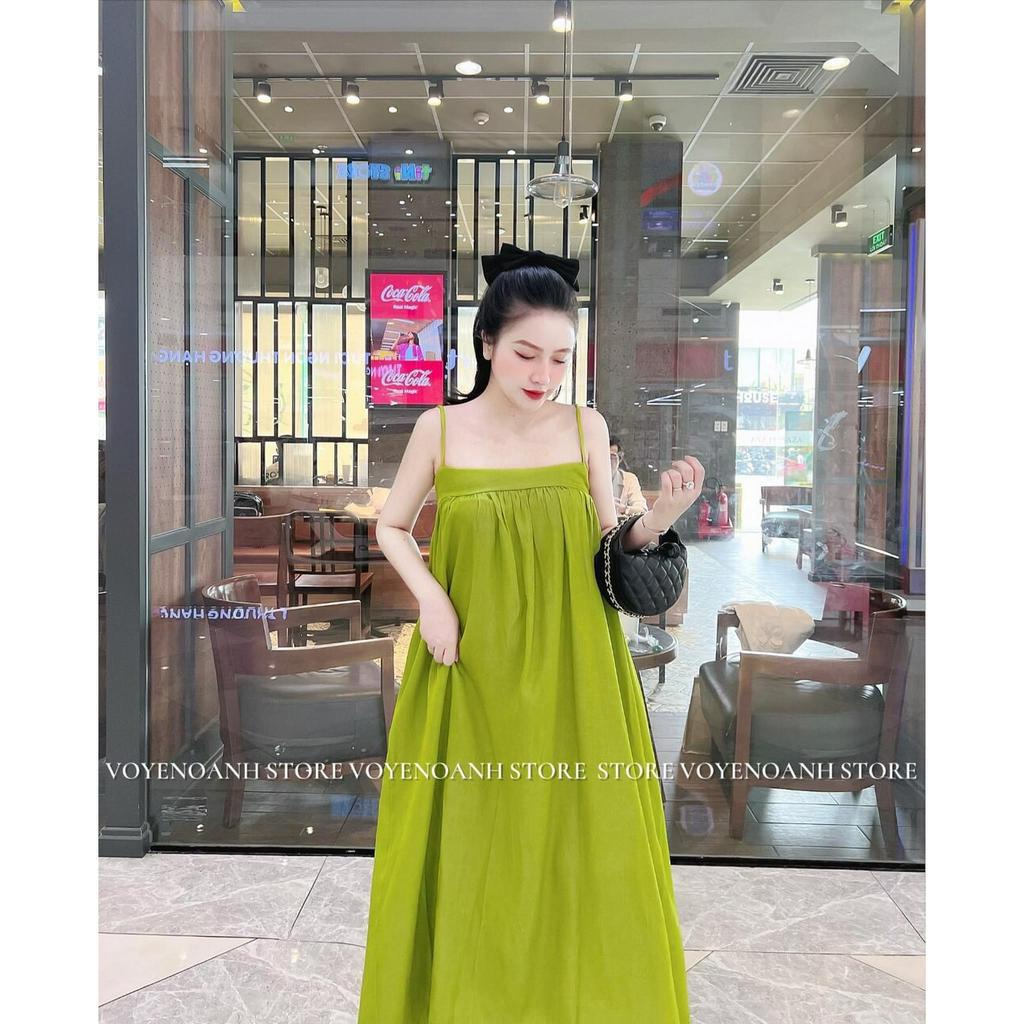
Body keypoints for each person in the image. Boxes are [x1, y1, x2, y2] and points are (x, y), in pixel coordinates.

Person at [358, 243, 704, 1023]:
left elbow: (611, 545)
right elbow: (391, 526)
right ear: (487, 342)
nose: (543, 373)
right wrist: (431, 599)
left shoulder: (585, 427)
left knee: (585, 840)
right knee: (474, 838)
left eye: (559, 357)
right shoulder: (439, 429)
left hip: (579, 664)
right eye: (525, 353)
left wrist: (657, 519)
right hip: (470, 662)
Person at [609, 433, 649, 518]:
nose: (607, 461)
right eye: (602, 456)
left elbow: (642, 509)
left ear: (620, 458)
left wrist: (623, 509)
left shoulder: (629, 479)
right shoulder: (589, 477)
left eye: (612, 457)